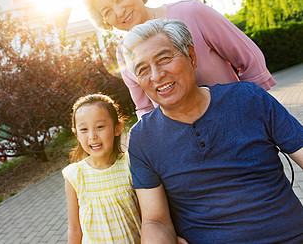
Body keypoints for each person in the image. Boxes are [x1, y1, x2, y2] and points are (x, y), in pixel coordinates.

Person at [122, 18, 303, 243]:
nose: (157, 75)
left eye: (165, 58)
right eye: (143, 69)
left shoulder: (248, 98)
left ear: (191, 56)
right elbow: (155, 221)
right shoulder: (142, 138)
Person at [83, 0, 276, 119]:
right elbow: (145, 108)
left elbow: (251, 59)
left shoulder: (193, 13)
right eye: (107, 11)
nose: (118, 12)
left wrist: (255, 109)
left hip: (237, 119)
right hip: (189, 144)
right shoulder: (124, 53)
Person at [62, 93, 142, 243]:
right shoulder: (75, 175)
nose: (92, 136)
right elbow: (74, 229)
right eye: (84, 129)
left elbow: (149, 216)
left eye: (99, 127)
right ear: (77, 135)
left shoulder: (130, 165)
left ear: (117, 129)